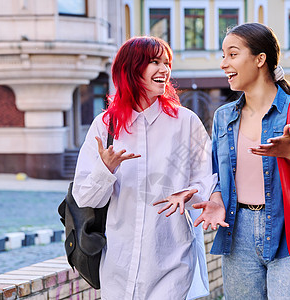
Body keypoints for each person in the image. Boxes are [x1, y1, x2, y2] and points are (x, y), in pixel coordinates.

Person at [193, 23, 290, 299]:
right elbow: (217, 176)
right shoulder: (222, 117)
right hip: (236, 233)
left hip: (288, 232)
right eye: (223, 56)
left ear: (260, 59)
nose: (223, 64)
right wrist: (217, 199)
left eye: (232, 54)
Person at [72, 36, 216, 300]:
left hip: (171, 260)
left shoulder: (186, 123)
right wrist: (105, 169)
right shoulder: (105, 125)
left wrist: (192, 191)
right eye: (154, 62)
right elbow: (84, 197)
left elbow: (208, 179)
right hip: (117, 263)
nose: (165, 70)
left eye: (167, 62)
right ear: (130, 68)